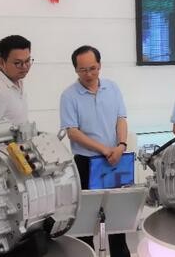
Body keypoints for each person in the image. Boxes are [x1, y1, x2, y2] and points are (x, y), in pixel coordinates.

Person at [59, 45, 130, 257]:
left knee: (118, 222)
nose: (89, 74)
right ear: (75, 69)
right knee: (85, 223)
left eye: (93, 68)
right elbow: (72, 132)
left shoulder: (112, 88)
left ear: (99, 65)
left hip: (114, 161)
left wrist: (121, 145)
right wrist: (104, 149)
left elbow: (121, 119)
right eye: (83, 70)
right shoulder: (69, 96)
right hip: (86, 163)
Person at [0, 35, 32, 125]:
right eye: (18, 63)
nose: (25, 67)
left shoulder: (18, 79)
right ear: (1, 62)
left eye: (27, 61)